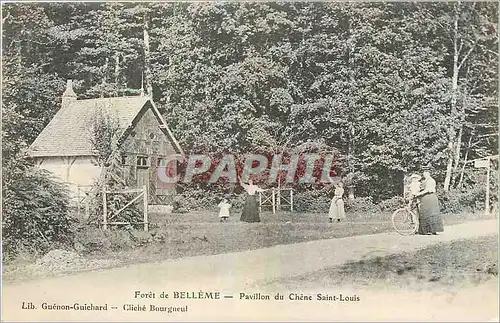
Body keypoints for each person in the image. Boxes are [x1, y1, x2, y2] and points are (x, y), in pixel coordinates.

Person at [415, 170, 444, 235]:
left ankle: (432, 230)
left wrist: (418, 194)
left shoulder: (431, 181)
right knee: (426, 213)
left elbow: (428, 190)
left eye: (426, 173)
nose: (425, 175)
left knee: (431, 213)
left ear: (429, 174)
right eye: (424, 173)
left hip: (430, 197)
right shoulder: (425, 181)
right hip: (425, 198)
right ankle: (426, 230)